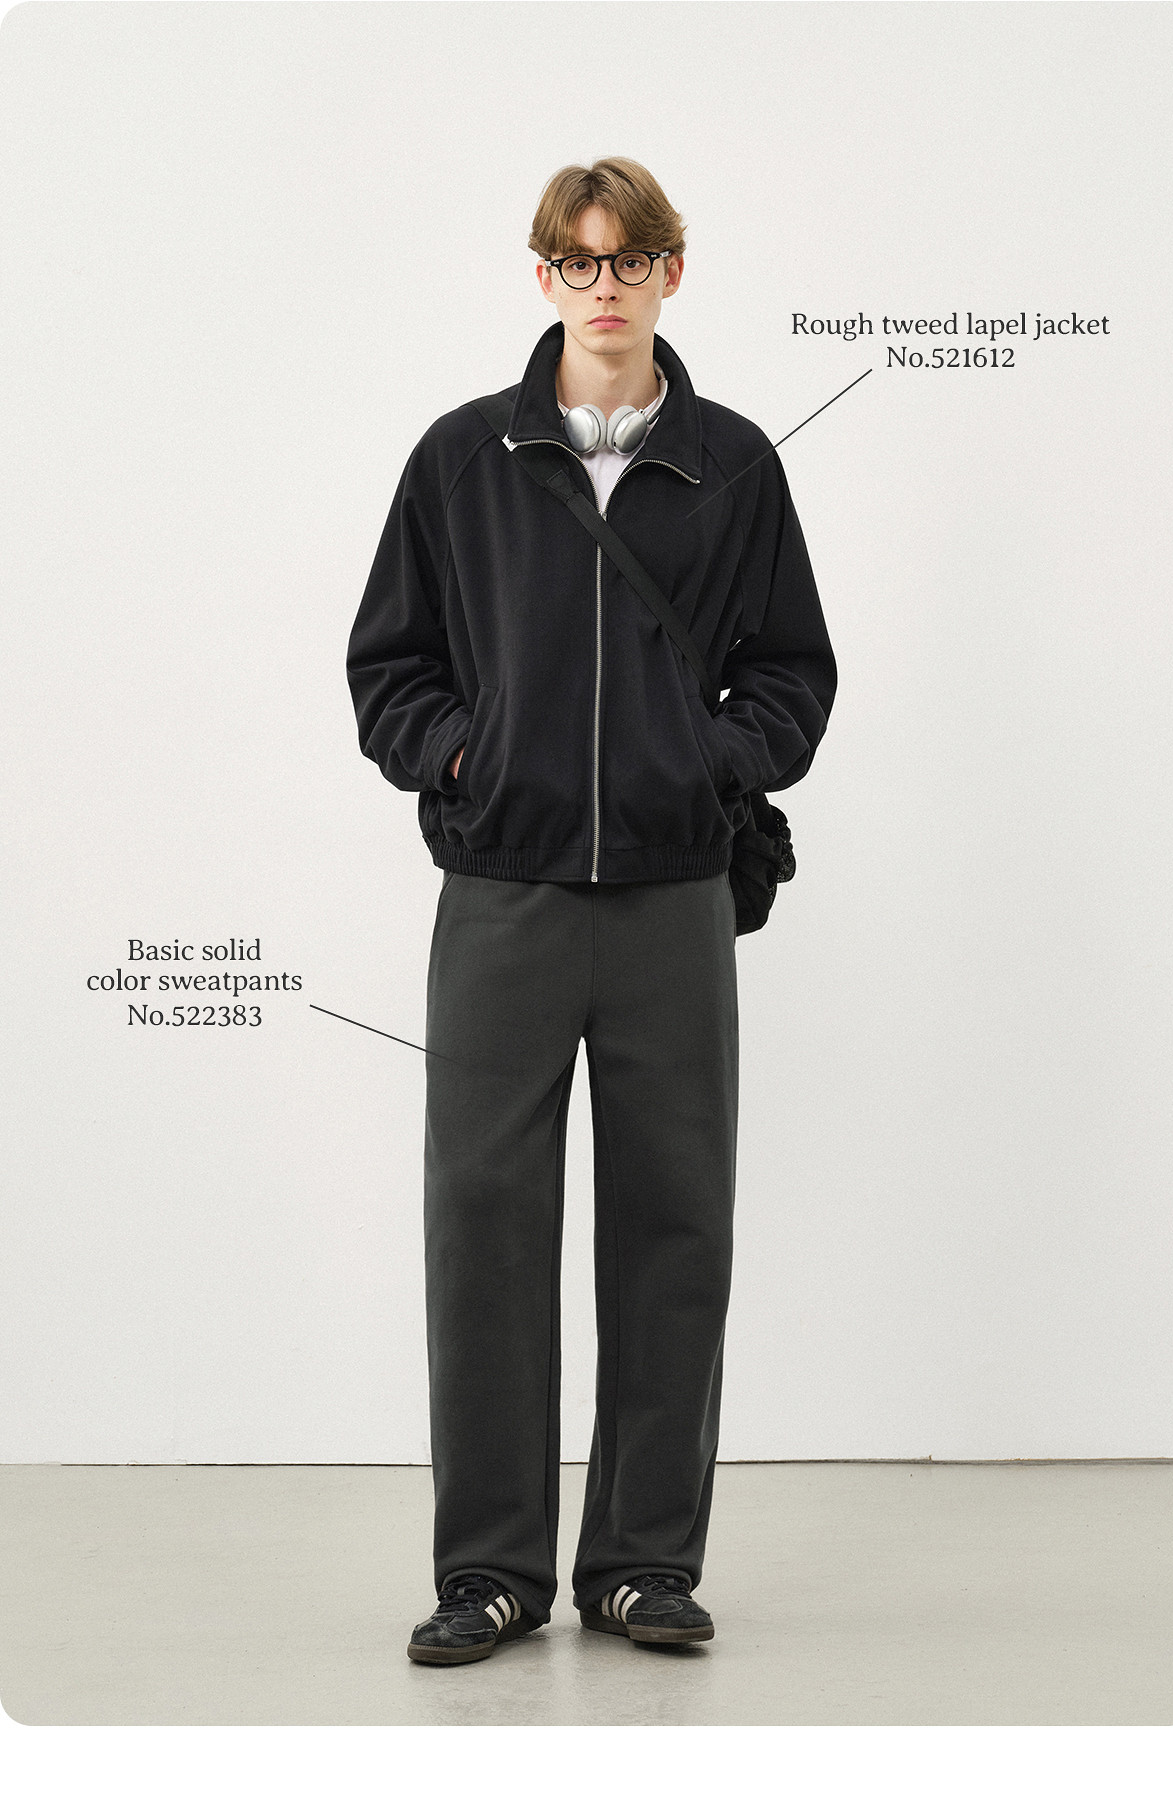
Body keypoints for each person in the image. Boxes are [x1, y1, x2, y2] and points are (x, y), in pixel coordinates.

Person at [346, 156, 836, 1667]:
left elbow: (793, 672)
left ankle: (640, 1565)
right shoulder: (462, 459)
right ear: (544, 274)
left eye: (629, 261)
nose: (603, 286)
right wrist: (465, 756)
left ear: (672, 274)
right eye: (577, 261)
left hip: (675, 902)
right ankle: (490, 1571)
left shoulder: (734, 463)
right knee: (483, 1225)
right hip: (505, 895)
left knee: (675, 1223)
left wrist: (709, 766)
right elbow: (389, 668)